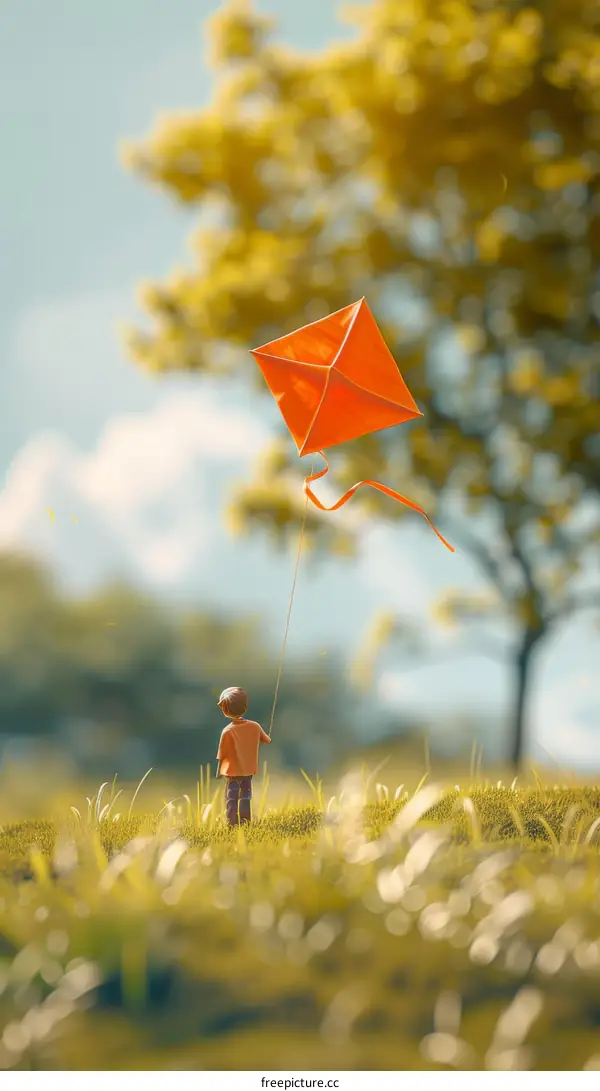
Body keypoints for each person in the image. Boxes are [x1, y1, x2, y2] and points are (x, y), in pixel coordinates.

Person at [216, 687, 271, 826]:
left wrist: (218, 772)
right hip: (247, 772)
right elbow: (266, 740)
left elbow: (222, 755)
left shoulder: (227, 731)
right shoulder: (255, 726)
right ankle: (246, 823)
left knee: (231, 799)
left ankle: (232, 825)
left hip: (232, 774)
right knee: (245, 798)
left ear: (225, 708)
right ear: (245, 706)